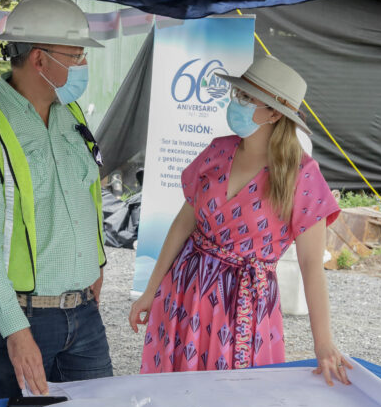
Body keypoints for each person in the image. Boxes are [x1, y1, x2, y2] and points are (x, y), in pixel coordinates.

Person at [129, 55, 352, 386]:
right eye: (238, 95)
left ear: (275, 112)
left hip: (243, 305)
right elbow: (182, 223)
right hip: (186, 292)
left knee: (233, 403)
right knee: (174, 395)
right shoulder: (217, 151)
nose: (237, 102)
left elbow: (310, 265)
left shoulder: (302, 176)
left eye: (248, 98)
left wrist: (323, 342)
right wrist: (150, 290)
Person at [0, 0, 112, 400]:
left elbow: (87, 200)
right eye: (76, 56)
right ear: (39, 59)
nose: (83, 66)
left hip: (83, 314)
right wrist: (15, 329)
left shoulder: (72, 117)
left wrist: (94, 267)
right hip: (20, 319)